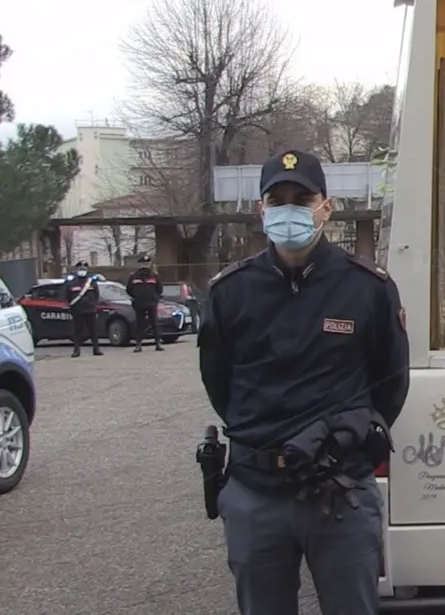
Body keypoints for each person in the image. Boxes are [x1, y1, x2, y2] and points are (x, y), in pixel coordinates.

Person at [198, 150, 410, 615]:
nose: (289, 208)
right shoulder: (230, 291)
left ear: (326, 207)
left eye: (302, 197)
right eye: (277, 199)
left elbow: (391, 383)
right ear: (261, 210)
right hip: (257, 492)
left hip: (341, 492)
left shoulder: (368, 288)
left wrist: (347, 436)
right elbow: (219, 384)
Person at [125, 253, 164, 352]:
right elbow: (129, 289)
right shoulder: (134, 276)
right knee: (140, 324)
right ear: (140, 265)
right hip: (139, 303)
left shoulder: (154, 276)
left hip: (151, 303)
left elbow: (159, 289)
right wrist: (136, 297)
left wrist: (154, 297)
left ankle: (158, 343)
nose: (145, 265)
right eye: (143, 263)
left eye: (147, 263)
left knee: (154, 323)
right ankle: (138, 344)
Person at [65, 260, 103, 358]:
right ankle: (76, 350)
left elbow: (96, 295)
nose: (82, 270)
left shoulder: (91, 282)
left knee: (93, 331)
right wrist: (73, 307)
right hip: (78, 310)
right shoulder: (72, 282)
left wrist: (92, 304)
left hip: (90, 310)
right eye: (81, 269)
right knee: (77, 331)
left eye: (84, 269)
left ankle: (96, 349)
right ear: (77, 269)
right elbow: (68, 296)